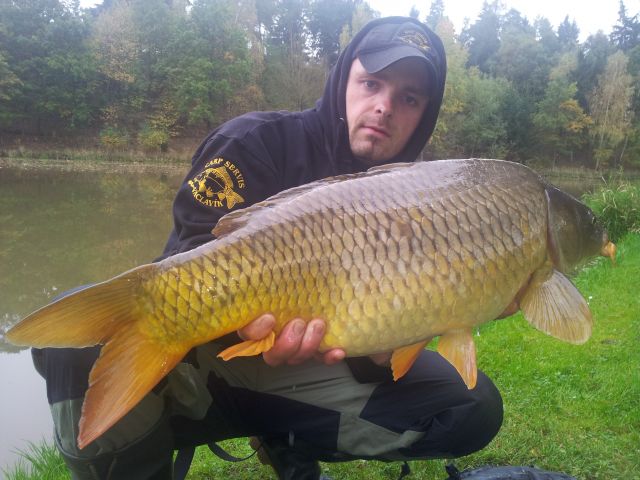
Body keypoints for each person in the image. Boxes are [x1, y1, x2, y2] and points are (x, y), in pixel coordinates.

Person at [32, 16, 503, 480]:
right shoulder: (253, 142)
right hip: (206, 364)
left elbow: (387, 314)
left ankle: (287, 437)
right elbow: (190, 251)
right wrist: (244, 330)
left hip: (313, 373)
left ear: (425, 115)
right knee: (76, 351)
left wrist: (385, 345)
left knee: (471, 407)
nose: (384, 107)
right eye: (372, 84)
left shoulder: (425, 202)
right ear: (343, 79)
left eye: (409, 98)